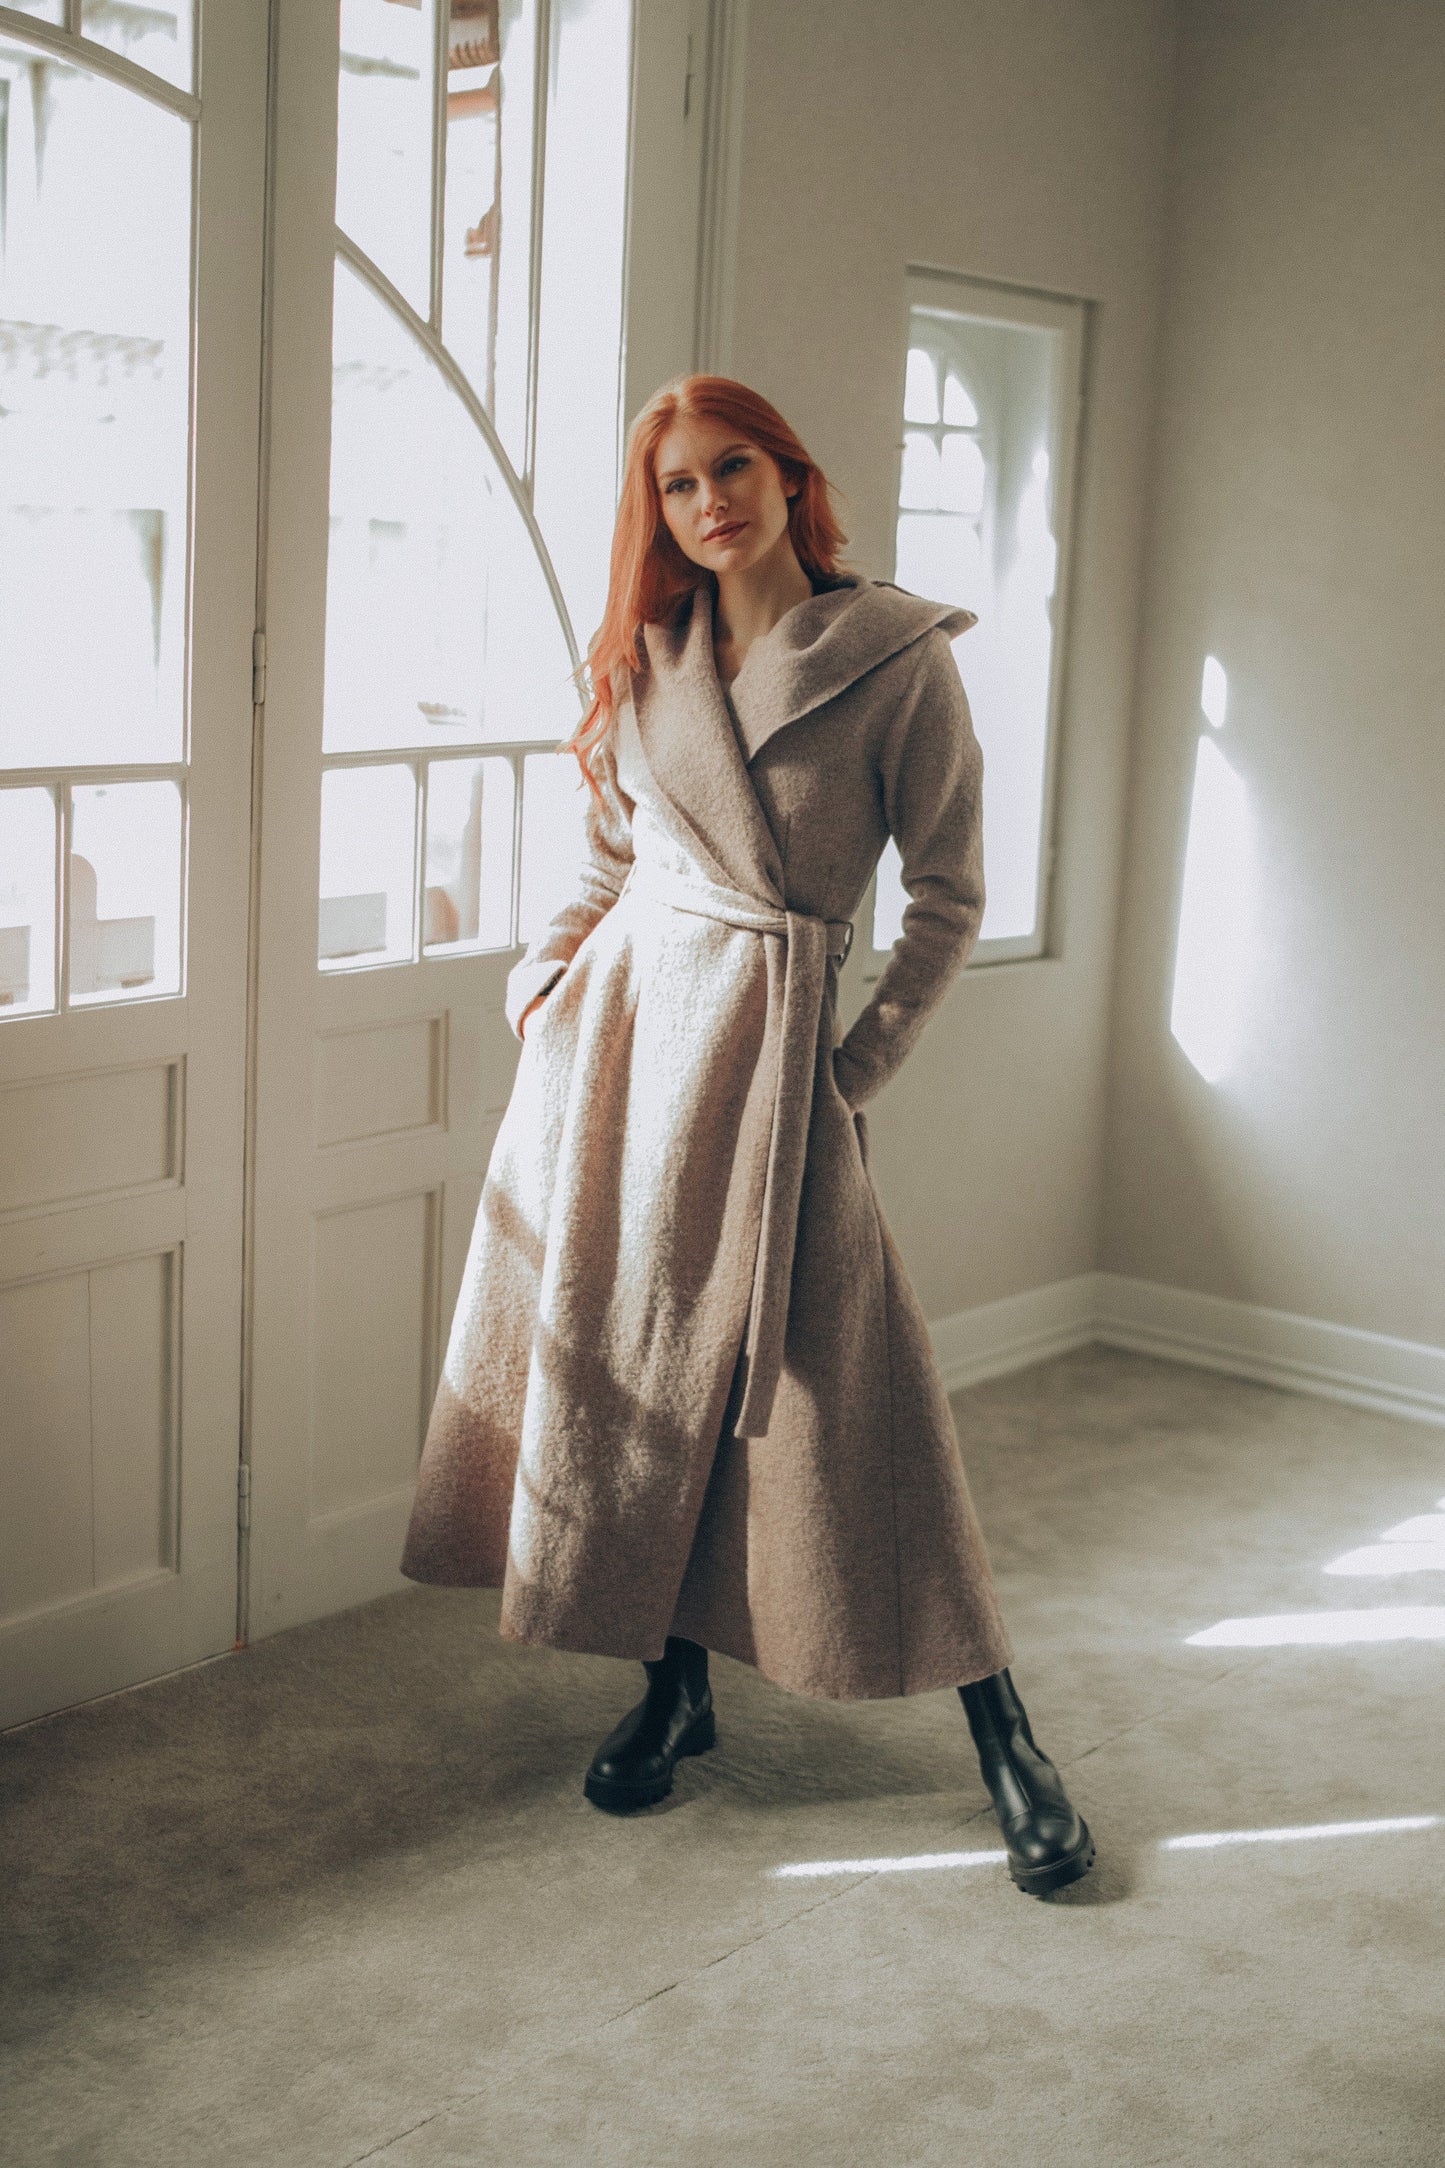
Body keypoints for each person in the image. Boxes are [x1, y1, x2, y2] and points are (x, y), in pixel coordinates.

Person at [401, 375, 1094, 1897]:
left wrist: (855, 1069)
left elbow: (948, 898)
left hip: (780, 1055)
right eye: (673, 485)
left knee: (854, 1395)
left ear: (790, 475)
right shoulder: (647, 658)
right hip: (621, 1051)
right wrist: (541, 983)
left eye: (731, 468)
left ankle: (1004, 1732)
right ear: (656, 515)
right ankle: (673, 1686)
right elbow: (604, 848)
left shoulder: (892, 656)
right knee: (643, 1376)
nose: (706, 500)